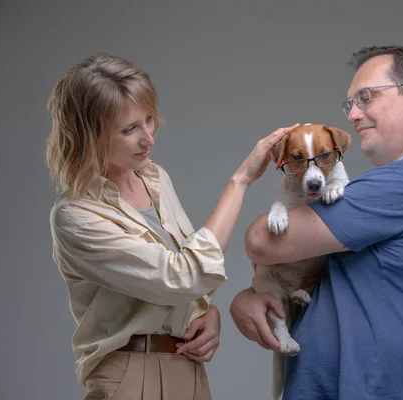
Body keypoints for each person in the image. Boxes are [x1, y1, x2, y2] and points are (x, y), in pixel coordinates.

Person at [46, 52, 299, 399]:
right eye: (129, 129)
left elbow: (190, 279)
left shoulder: (155, 178)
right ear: (90, 135)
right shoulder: (76, 215)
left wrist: (207, 312)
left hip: (187, 365)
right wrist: (240, 181)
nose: (149, 138)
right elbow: (182, 276)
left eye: (149, 120)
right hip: (129, 372)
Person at [230, 45, 403, 399]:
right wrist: (247, 299)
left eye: (366, 97)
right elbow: (328, 286)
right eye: (351, 104)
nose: (354, 115)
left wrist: (241, 180)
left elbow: (260, 240)